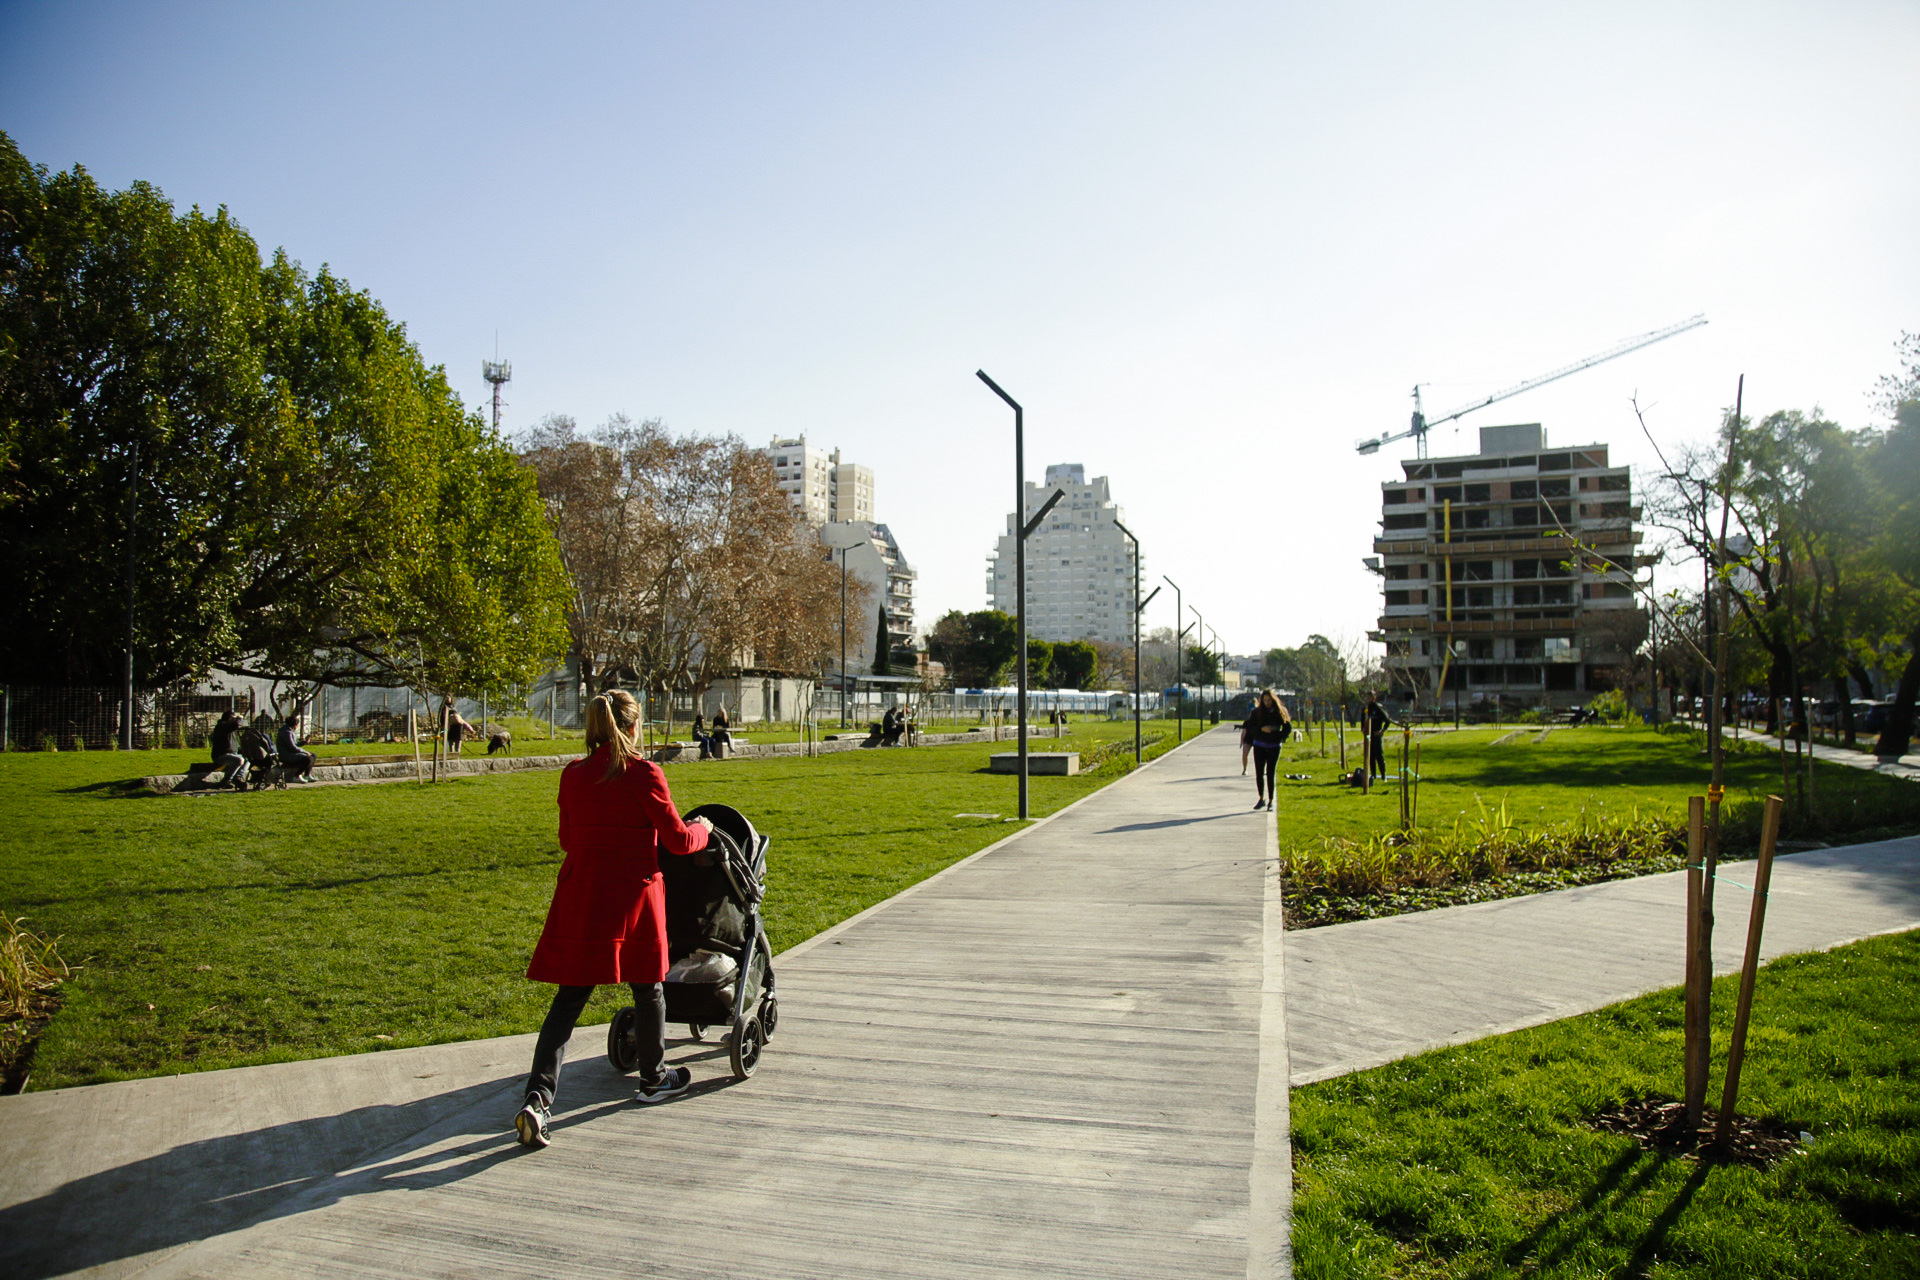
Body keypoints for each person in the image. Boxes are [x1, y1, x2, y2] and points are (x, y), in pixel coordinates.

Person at [514, 690, 715, 1149]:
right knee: (648, 989)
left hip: (584, 894)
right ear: (632, 727)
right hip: (633, 897)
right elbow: (680, 841)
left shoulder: (574, 775)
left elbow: (568, 839)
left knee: (568, 1000)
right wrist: (703, 827)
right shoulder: (644, 774)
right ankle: (653, 1077)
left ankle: (538, 1099)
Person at [1243, 690, 1290, 810]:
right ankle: (1261, 798)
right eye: (1265, 700)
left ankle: (1271, 800)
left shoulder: (1280, 712)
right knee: (1259, 772)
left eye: (1269, 700)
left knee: (1270, 772)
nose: (1267, 702)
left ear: (1273, 700)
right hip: (1260, 745)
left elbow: (1287, 728)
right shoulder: (1257, 712)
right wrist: (1262, 729)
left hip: (1274, 746)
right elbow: (1250, 727)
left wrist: (1276, 734)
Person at [210, 710, 250, 790]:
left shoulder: (229, 729)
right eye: (233, 719)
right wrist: (240, 718)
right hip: (221, 755)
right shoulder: (221, 726)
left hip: (232, 754)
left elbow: (235, 744)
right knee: (239, 760)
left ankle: (238, 778)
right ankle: (226, 781)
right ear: (229, 719)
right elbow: (236, 724)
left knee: (248, 759)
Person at [275, 714, 315, 782]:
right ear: (294, 724)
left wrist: (304, 742)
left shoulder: (289, 731)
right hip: (286, 755)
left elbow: (295, 744)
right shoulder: (286, 733)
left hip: (291, 753)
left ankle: (307, 775)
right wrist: (304, 752)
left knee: (313, 755)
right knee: (308, 758)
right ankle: (297, 775)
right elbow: (292, 747)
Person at [1362, 691, 1392, 780]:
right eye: (1367, 697)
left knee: (1379, 755)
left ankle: (1383, 775)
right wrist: (1363, 729)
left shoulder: (1378, 708)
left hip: (1376, 735)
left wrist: (1382, 731)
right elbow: (1363, 720)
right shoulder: (1366, 708)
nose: (1368, 699)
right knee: (1370, 756)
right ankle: (1373, 776)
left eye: (1370, 697)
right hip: (1368, 736)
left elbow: (1387, 720)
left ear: (1374, 698)